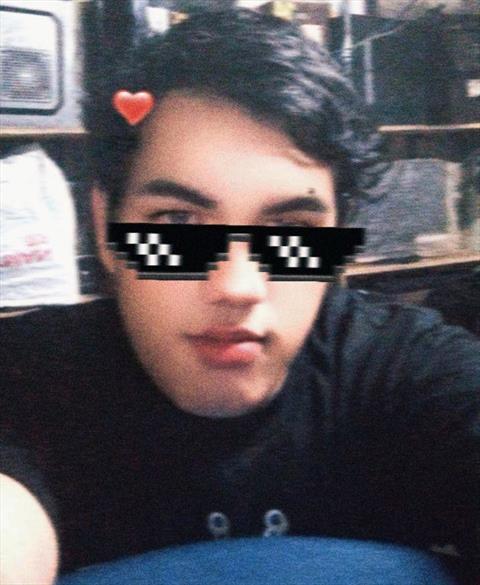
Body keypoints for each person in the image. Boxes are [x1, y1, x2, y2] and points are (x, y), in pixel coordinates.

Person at [0, 8, 479, 585]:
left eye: (292, 231)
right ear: (106, 228)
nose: (236, 287)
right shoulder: (25, 378)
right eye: (177, 222)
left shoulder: (406, 370)